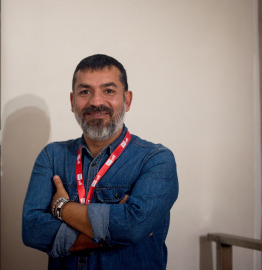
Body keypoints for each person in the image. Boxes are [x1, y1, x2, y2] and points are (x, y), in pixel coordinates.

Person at [22, 54, 179, 269]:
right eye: (85, 91)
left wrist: (62, 207)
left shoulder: (156, 159)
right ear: (72, 101)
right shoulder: (51, 156)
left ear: (128, 99)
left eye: (109, 91)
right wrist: (116, 228)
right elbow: (32, 231)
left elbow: (132, 227)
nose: (96, 101)